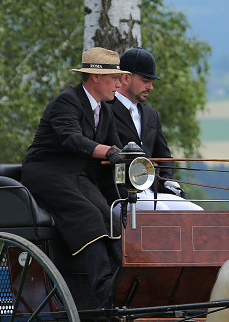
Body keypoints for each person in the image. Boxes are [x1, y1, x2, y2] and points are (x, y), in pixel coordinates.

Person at [21, 47, 129, 307]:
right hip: (46, 171)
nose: (118, 83)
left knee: (110, 216)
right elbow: (72, 138)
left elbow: (117, 148)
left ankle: (124, 280)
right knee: (88, 215)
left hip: (75, 174)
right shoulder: (67, 101)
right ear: (95, 77)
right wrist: (110, 151)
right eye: (114, 78)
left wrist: (134, 159)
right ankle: (104, 287)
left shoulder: (105, 111)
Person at [108, 46, 201, 211]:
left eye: (151, 81)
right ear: (125, 78)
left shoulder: (151, 114)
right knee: (162, 212)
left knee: (195, 212)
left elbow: (164, 157)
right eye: (145, 81)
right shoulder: (106, 109)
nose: (150, 87)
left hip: (152, 191)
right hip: (119, 193)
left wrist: (168, 181)